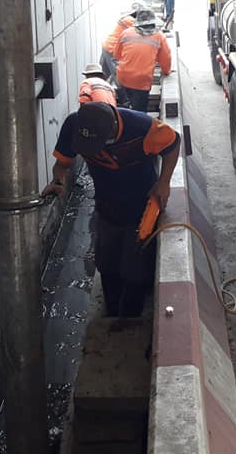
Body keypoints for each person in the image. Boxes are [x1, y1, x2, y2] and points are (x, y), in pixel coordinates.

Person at [43, 102, 180, 317]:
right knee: (106, 264)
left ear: (113, 130)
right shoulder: (75, 126)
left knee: (136, 268)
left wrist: (164, 182)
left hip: (141, 207)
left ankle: (131, 316)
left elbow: (173, 143)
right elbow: (62, 164)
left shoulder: (142, 128)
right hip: (106, 206)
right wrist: (58, 181)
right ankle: (112, 312)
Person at [113, 8, 171, 112]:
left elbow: (117, 55)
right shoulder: (159, 36)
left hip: (124, 77)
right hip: (142, 80)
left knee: (129, 103)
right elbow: (166, 59)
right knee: (139, 112)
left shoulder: (126, 33)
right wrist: (166, 71)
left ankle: (127, 110)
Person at [100, 1, 145, 81]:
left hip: (107, 47)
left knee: (102, 76)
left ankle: (96, 87)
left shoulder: (126, 19)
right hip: (113, 50)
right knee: (120, 77)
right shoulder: (130, 20)